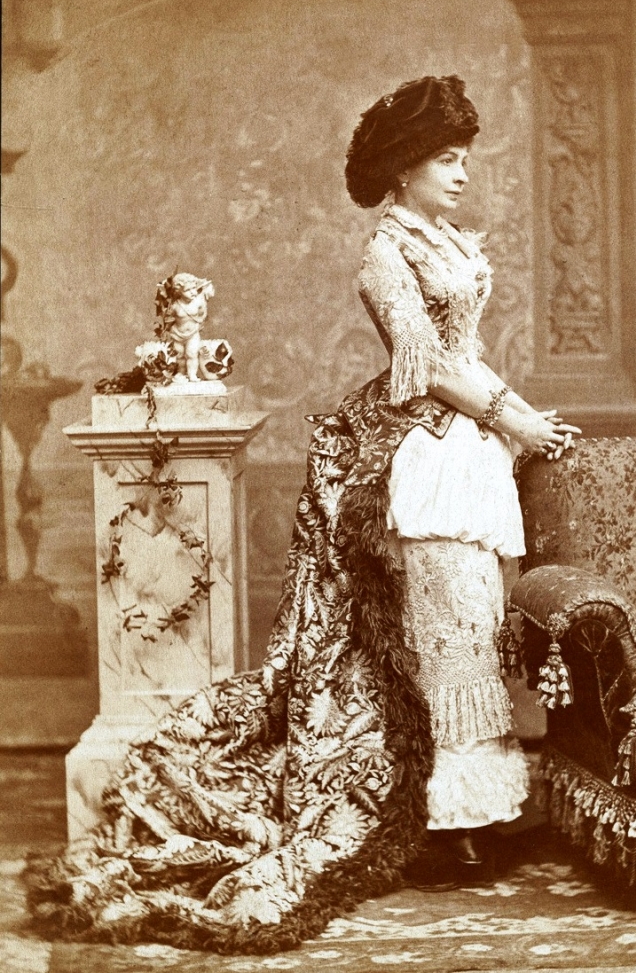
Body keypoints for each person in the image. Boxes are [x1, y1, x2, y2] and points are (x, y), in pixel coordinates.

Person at [27, 75, 579, 955]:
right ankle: (436, 819)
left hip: (468, 448)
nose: (463, 173)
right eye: (446, 159)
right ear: (403, 169)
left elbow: (466, 350)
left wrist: (511, 422)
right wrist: (515, 418)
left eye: (464, 158)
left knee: (475, 624)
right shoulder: (383, 256)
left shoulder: (446, 238)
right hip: (421, 450)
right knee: (438, 630)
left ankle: (479, 810)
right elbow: (430, 365)